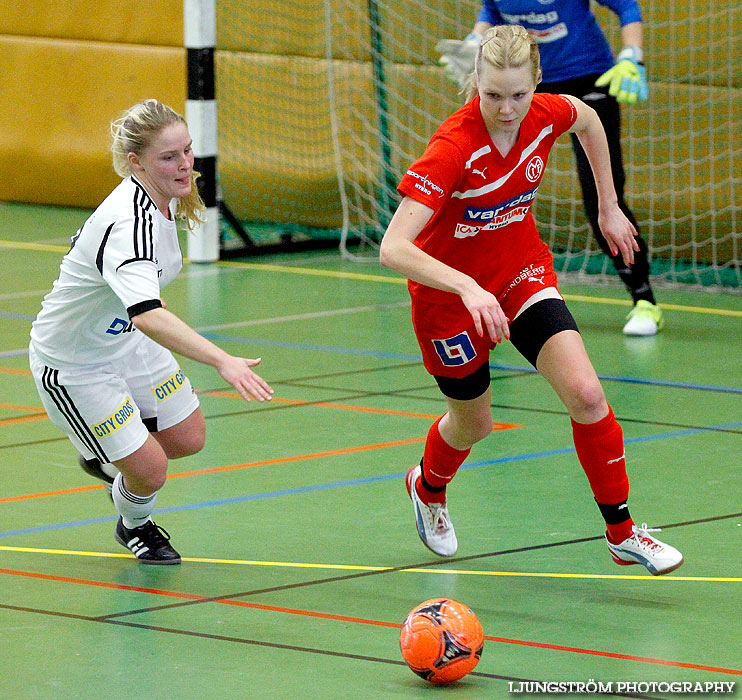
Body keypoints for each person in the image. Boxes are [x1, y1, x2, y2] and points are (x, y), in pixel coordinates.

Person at [379, 25, 682, 575]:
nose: (505, 108)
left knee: (587, 394)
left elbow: (589, 119)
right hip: (449, 299)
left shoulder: (544, 113)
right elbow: (393, 247)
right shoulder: (454, 148)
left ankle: (621, 533)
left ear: (536, 83)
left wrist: (609, 206)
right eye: (492, 94)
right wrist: (467, 287)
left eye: (518, 95)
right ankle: (427, 485)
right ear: (475, 80)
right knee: (474, 424)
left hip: (521, 275)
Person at [29, 99, 274, 565]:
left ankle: (110, 452)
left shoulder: (163, 198)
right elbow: (146, 312)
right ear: (135, 162)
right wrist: (222, 360)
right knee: (151, 471)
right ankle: (134, 523)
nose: (184, 165)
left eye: (187, 151)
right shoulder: (128, 224)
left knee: (188, 437)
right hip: (74, 364)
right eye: (169, 157)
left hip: (125, 343)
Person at [436, 0, 663, 336]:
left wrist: (632, 55)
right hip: (521, 89)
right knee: (490, 193)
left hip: (588, 80)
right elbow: (492, 12)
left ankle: (643, 298)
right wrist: (474, 42)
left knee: (600, 195)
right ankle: (489, 292)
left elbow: (627, 7)